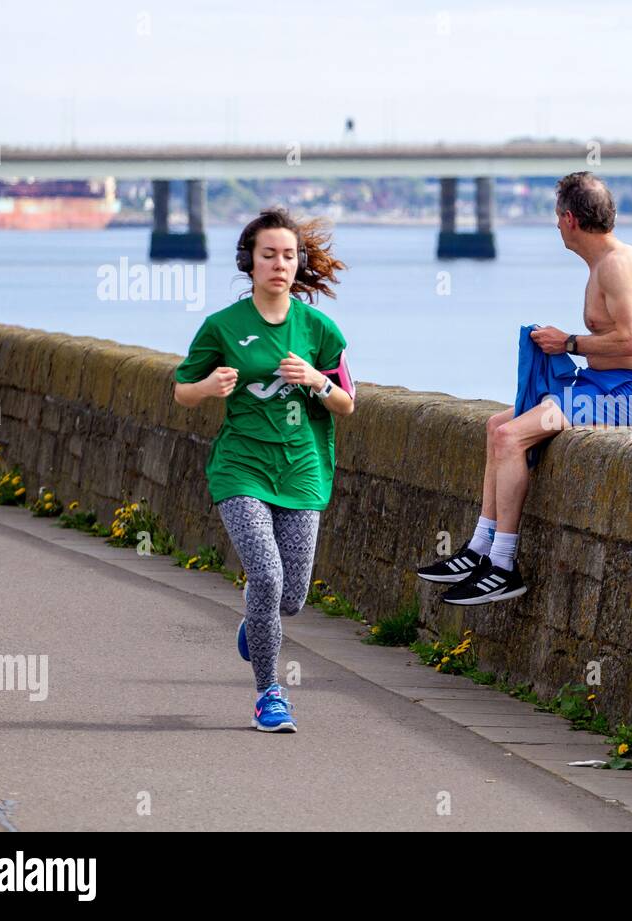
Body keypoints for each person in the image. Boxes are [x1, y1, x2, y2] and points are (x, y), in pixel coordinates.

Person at [416, 171, 632, 605]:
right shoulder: (604, 264)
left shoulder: (615, 265)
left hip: (630, 397)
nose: (556, 225)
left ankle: (503, 565)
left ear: (571, 219)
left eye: (557, 217)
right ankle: (480, 548)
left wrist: (568, 343)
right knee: (498, 425)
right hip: (600, 386)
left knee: (510, 435)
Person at [173, 207, 354, 732]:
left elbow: (347, 403)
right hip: (241, 468)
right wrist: (209, 388)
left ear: (299, 264)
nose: (279, 264)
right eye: (268, 255)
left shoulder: (319, 329)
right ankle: (270, 695)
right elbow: (182, 389)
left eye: (289, 256)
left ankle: (258, 621)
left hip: (302, 469)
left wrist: (316, 382)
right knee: (267, 576)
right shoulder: (223, 327)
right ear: (249, 262)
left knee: (290, 599)